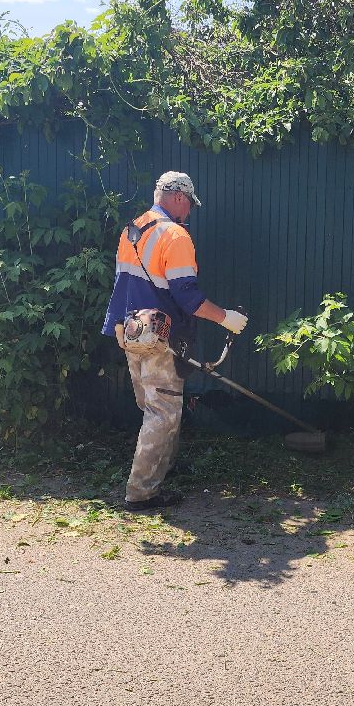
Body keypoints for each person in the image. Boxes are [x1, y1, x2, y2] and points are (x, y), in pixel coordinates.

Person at [101, 171, 248, 510]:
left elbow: (125, 284)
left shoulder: (132, 230)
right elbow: (189, 298)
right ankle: (141, 493)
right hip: (160, 339)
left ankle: (158, 471)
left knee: (154, 409)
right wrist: (227, 317)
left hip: (130, 331)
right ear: (180, 197)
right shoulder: (174, 234)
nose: (189, 212)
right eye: (190, 205)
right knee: (162, 414)